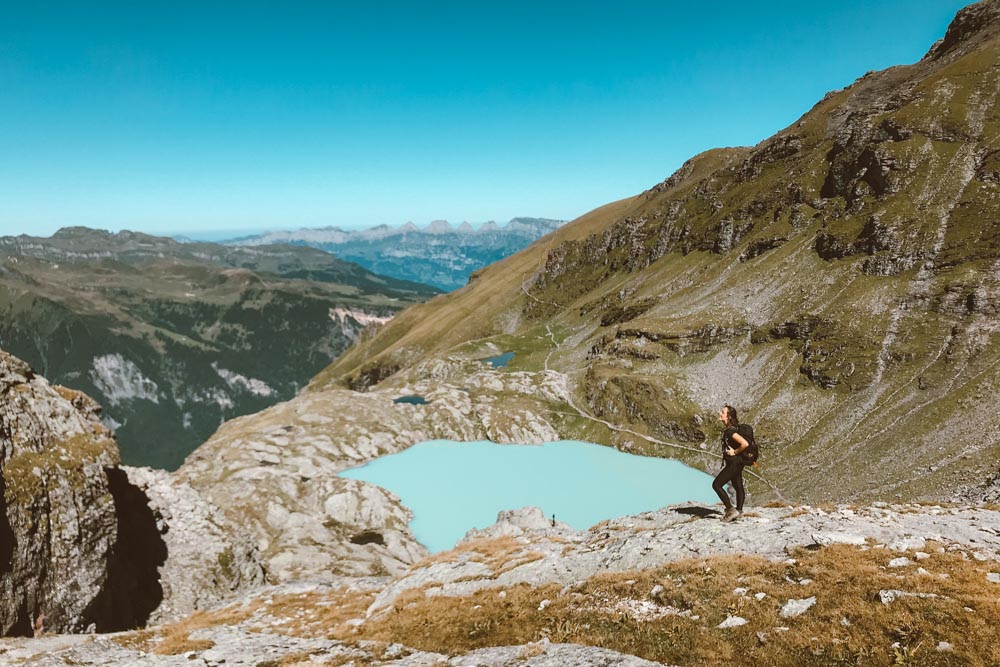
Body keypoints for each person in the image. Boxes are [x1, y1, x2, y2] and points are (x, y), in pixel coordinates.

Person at [712, 404, 750, 522]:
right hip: (738, 463)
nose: (720, 413)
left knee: (716, 485)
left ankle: (730, 510)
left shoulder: (730, 431)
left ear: (728, 417)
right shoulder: (734, 428)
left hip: (734, 463)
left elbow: (745, 444)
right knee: (738, 486)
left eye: (723, 412)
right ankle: (739, 511)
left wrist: (735, 452)